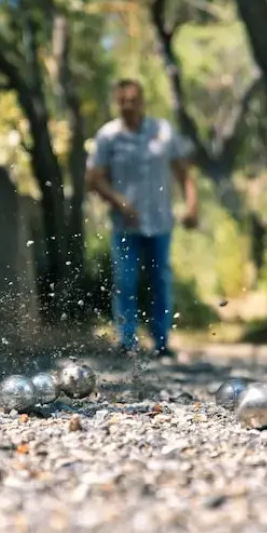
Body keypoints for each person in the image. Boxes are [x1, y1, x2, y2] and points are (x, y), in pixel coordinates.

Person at [86, 78, 199, 358]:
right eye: (123, 101)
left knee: (160, 279)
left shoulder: (162, 131)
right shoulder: (108, 136)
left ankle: (161, 343)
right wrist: (119, 201)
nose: (128, 106)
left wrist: (192, 206)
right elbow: (94, 178)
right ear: (116, 102)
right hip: (126, 224)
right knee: (125, 282)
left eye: (133, 100)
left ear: (143, 101)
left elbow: (184, 173)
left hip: (160, 221)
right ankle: (127, 342)